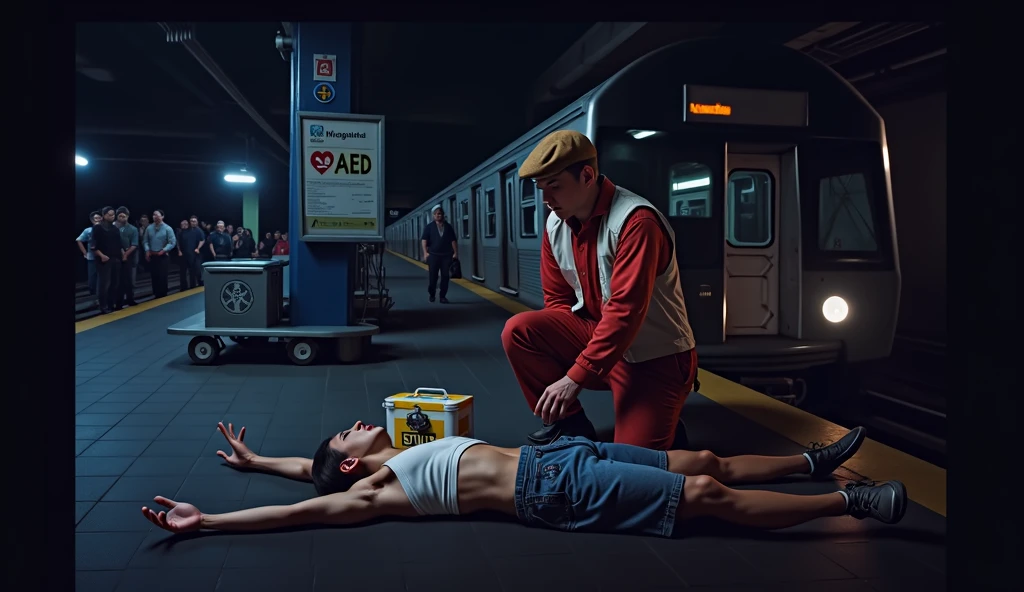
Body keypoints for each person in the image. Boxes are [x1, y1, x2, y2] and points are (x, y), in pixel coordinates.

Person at [141, 422, 906, 538]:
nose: (358, 422)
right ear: (350, 460)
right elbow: (303, 506)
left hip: (559, 455)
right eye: (349, 431)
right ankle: (852, 502)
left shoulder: (389, 448)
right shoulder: (372, 489)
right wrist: (208, 521)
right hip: (553, 495)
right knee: (706, 498)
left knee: (700, 461)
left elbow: (304, 468)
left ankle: (811, 463)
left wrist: (254, 458)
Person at [501, 130, 697, 451]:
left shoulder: (637, 222)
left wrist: (575, 377)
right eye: (540, 189)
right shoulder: (555, 224)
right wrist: (582, 365)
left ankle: (666, 422)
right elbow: (558, 303)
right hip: (600, 342)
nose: (546, 199)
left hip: (653, 358)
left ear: (588, 176)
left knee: (630, 471)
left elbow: (625, 311)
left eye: (555, 186)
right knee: (519, 331)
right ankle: (572, 426)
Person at [419, 205, 458, 303]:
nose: (438, 215)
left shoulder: (448, 227)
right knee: (433, 277)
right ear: (433, 216)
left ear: (443, 215)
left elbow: (453, 240)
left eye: (439, 214)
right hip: (433, 255)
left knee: (445, 276)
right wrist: (425, 253)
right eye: (436, 214)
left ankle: (442, 296)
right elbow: (424, 240)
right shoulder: (429, 227)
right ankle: (432, 293)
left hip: (446, 255)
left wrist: (455, 252)